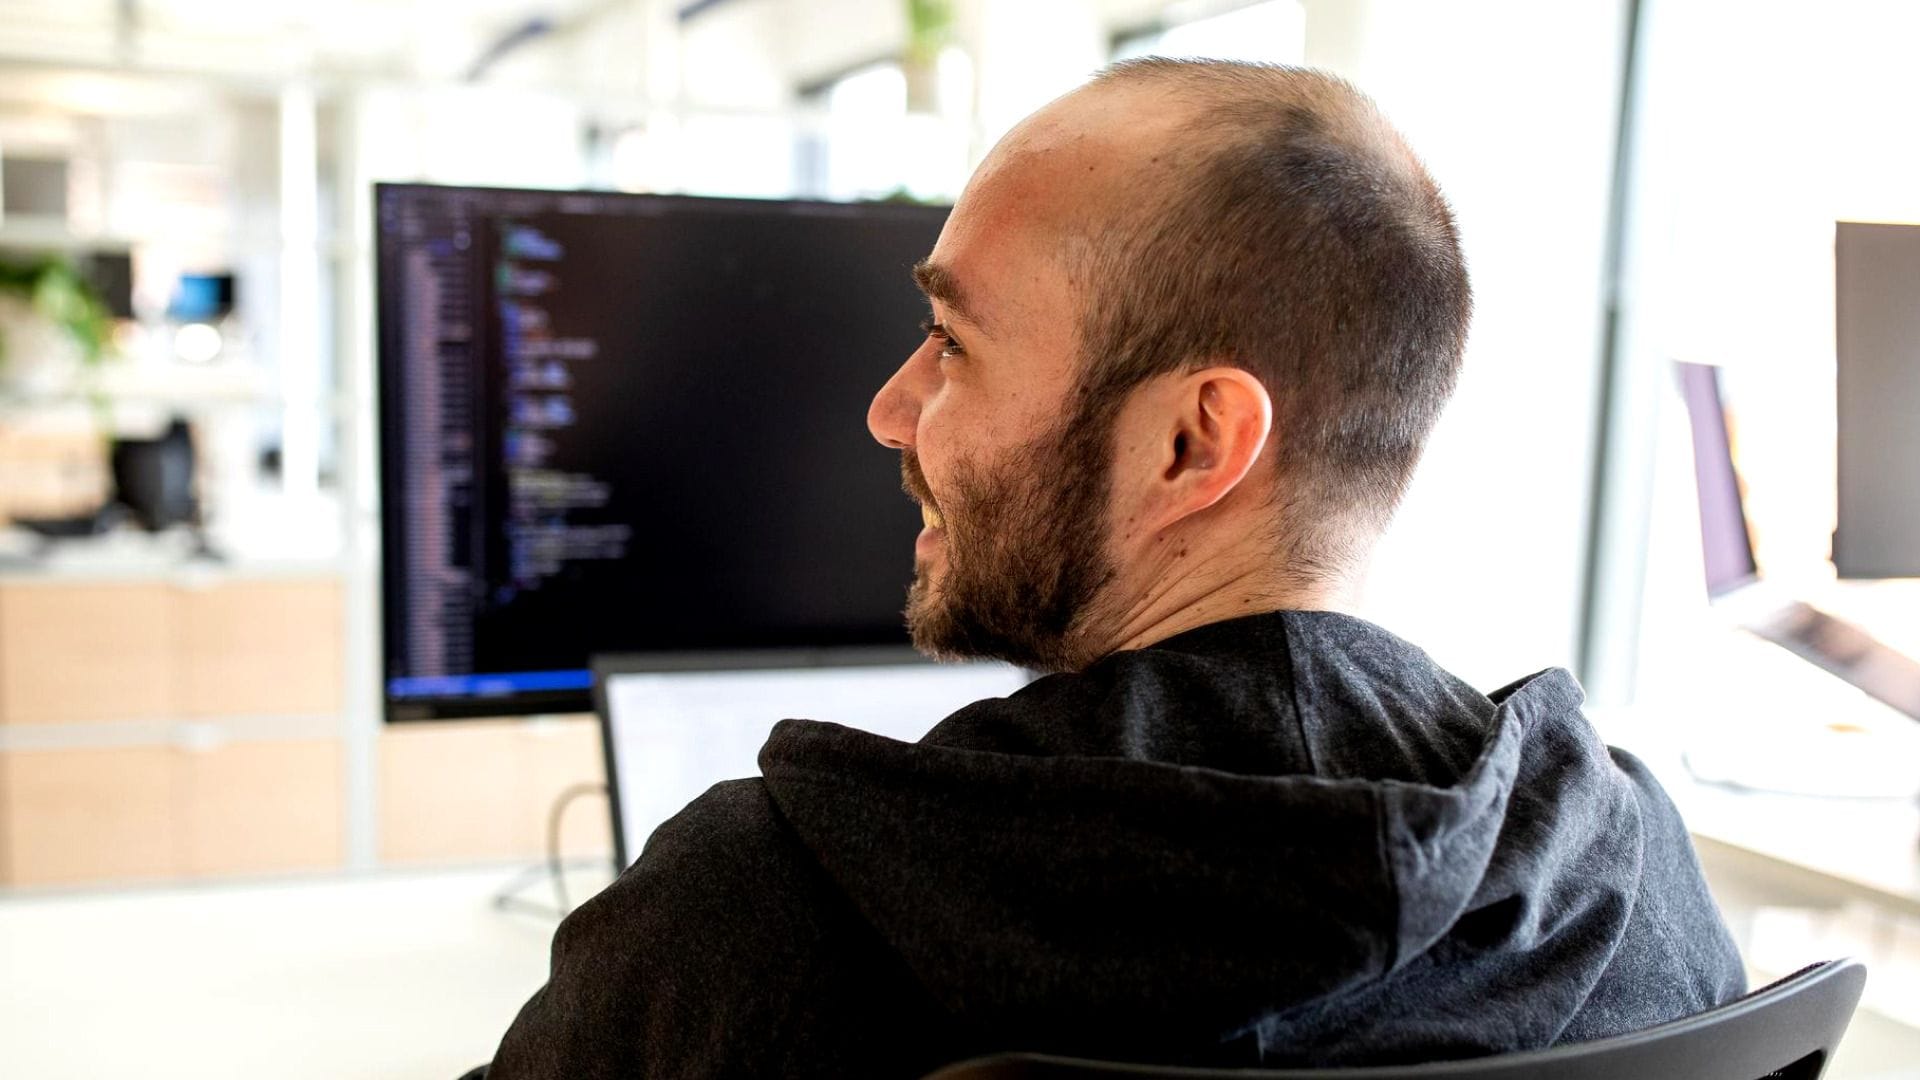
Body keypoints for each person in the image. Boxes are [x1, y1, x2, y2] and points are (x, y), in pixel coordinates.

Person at [479, 59, 1744, 1078]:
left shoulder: (756, 919)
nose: (889, 408)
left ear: (1194, 442)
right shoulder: (1633, 882)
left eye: (953, 343)